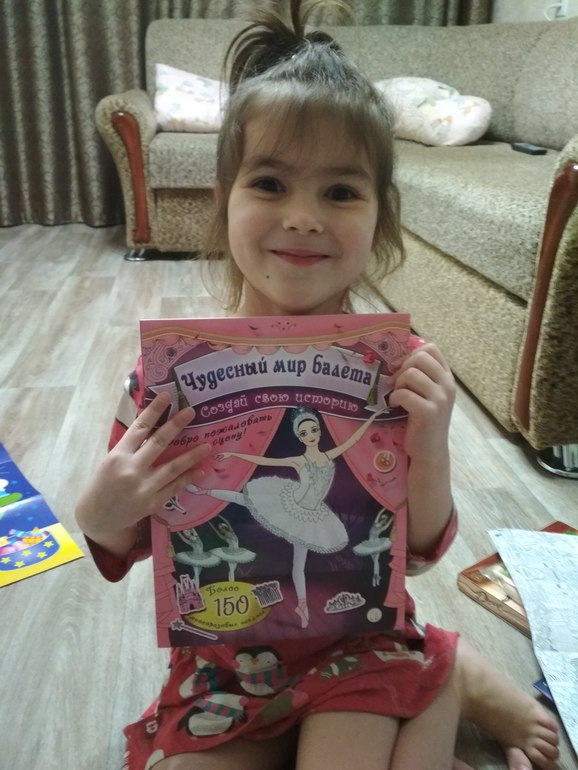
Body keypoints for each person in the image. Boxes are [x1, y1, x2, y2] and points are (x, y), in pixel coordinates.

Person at [75, 2, 560, 769]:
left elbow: (419, 553)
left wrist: (430, 443)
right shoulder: (166, 379)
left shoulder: (400, 373)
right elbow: (131, 537)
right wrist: (99, 513)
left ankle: (438, 673)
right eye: (270, 183)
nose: (302, 217)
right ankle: (446, 673)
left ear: (381, 217)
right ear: (223, 200)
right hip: (228, 665)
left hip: (359, 646)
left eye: (339, 192)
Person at [184, 405, 388, 628]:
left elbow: (354, 439)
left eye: (314, 430)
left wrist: (373, 416)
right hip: (291, 505)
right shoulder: (299, 460)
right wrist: (234, 453)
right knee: (243, 499)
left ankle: (302, 606)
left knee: (299, 565)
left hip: (312, 514)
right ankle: (203, 491)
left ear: (320, 430)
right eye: (304, 433)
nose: (310, 435)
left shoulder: (329, 455)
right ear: (300, 437)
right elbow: (263, 461)